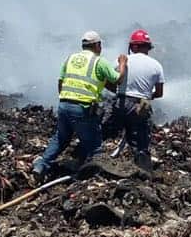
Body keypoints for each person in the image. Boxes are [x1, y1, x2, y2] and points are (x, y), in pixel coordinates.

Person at [32, 31, 126, 180]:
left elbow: (60, 81)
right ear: (97, 45)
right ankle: (95, 177)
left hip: (64, 105)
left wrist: (64, 99)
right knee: (95, 146)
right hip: (83, 108)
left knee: (61, 138)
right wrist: (122, 63)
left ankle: (41, 165)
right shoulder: (98, 61)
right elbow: (117, 80)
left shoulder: (70, 58)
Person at [113, 29, 164, 169]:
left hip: (121, 103)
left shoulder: (122, 61)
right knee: (141, 143)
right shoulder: (156, 65)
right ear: (147, 47)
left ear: (134, 46)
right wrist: (147, 95)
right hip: (141, 106)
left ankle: (91, 163)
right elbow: (159, 93)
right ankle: (144, 173)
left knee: (105, 134)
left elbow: (112, 80)